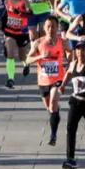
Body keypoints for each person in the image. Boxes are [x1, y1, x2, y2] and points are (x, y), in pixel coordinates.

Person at [27, 17, 67, 146]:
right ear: (44, 28)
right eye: (48, 26)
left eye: (53, 26)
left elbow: (72, 55)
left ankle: (53, 135)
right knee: (51, 110)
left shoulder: (62, 42)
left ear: (57, 28)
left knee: (53, 102)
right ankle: (56, 115)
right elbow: (27, 60)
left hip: (58, 78)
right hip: (43, 81)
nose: (51, 29)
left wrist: (71, 61)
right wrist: (40, 56)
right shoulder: (38, 43)